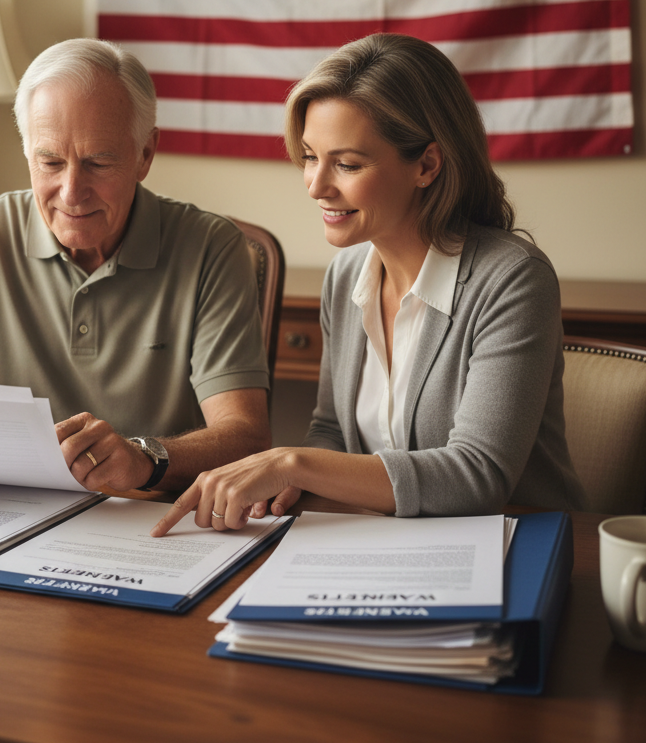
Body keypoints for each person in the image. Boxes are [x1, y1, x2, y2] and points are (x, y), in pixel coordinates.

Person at [152, 33, 585, 537]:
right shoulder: (346, 273)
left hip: (515, 546)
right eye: (311, 156)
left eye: (348, 164)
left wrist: (292, 465)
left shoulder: (512, 278)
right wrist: (281, 488)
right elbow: (332, 431)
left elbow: (479, 475)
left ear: (427, 165)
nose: (315, 185)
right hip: (385, 542)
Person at [0, 38, 271, 502]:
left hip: (152, 518)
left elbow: (246, 436)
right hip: (7, 513)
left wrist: (145, 458)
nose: (71, 191)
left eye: (98, 162)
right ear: (27, 155)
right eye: (50, 162)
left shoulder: (211, 246)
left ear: (145, 154)